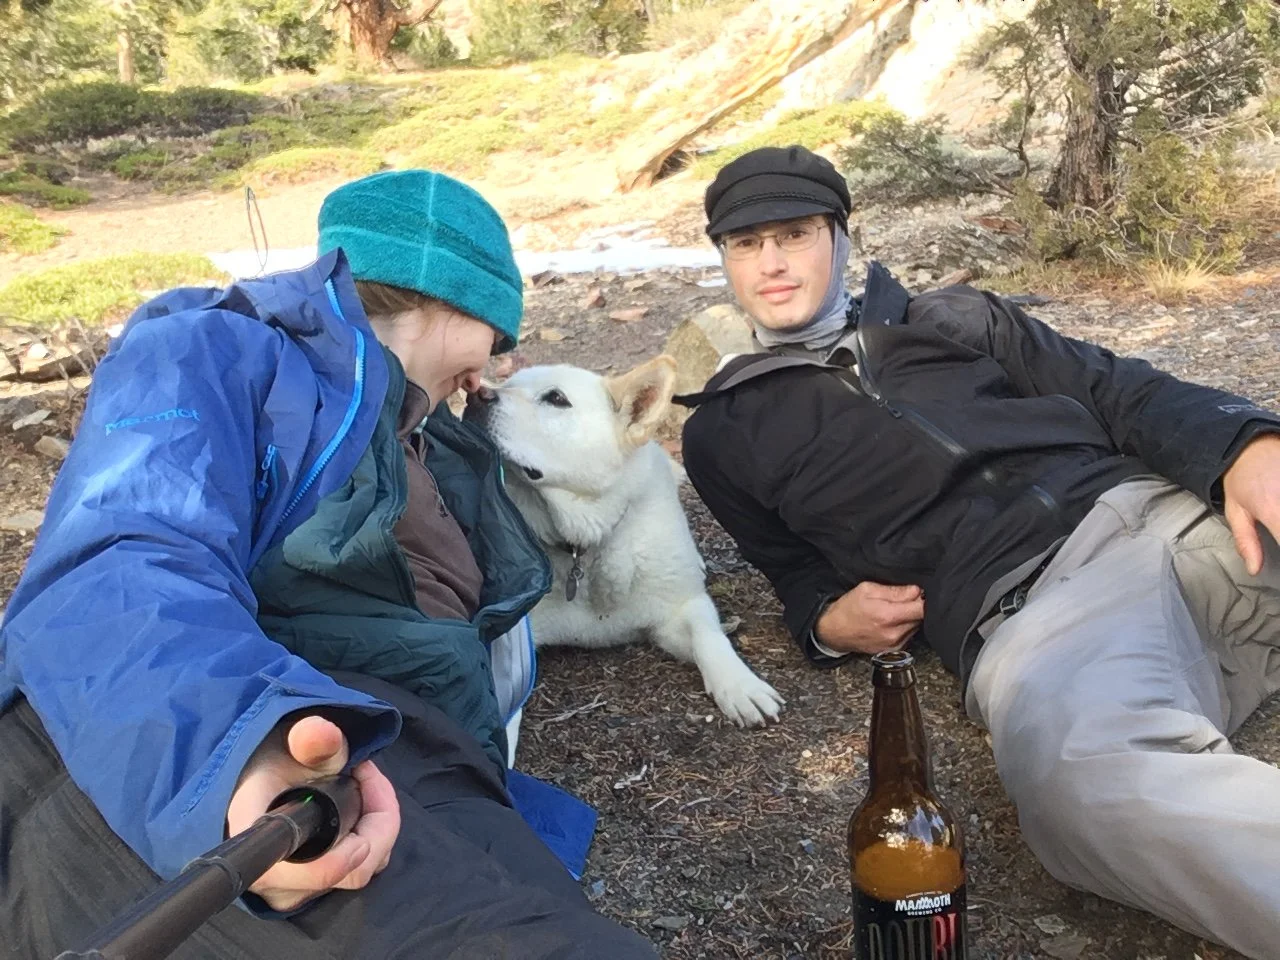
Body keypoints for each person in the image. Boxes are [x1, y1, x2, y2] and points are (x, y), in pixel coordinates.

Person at [0, 169, 656, 959]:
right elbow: (125, 552)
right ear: (454, 298)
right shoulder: (217, 346)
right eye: (497, 338)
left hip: (416, 758)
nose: (488, 375)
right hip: (216, 742)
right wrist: (235, 745)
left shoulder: (430, 439)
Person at [674, 144, 1280, 959]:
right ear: (723, 258)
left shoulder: (954, 318)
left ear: (842, 238)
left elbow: (1115, 387)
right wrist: (826, 621)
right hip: (1046, 616)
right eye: (746, 243)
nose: (771, 262)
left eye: (795, 234)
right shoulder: (724, 432)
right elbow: (791, 571)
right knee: (1084, 788)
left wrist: (1242, 445)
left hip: (1172, 512)